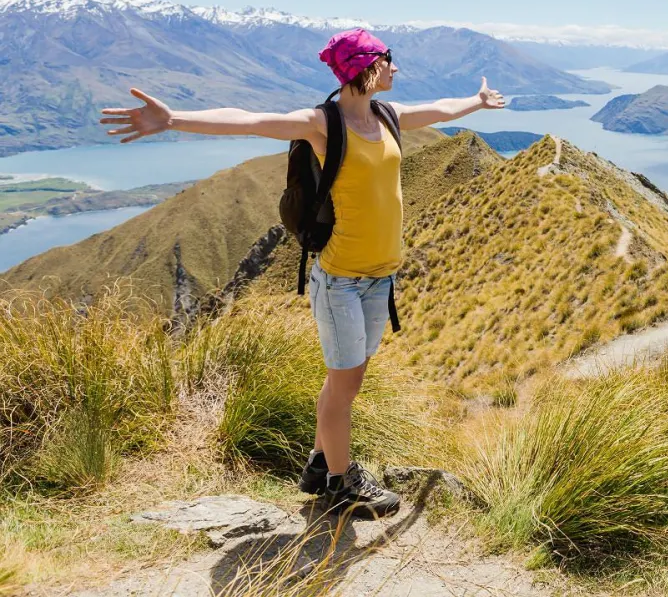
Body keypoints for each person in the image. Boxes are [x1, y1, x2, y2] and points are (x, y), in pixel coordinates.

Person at [100, 28, 506, 517]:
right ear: (367, 66)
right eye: (390, 60)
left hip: (381, 278)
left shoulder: (388, 116)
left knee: (342, 382)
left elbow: (441, 109)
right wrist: (173, 119)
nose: (397, 69)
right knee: (346, 386)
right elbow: (249, 121)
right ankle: (339, 482)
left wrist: (477, 101)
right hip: (341, 280)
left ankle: (319, 463)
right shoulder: (322, 125)